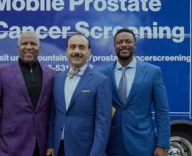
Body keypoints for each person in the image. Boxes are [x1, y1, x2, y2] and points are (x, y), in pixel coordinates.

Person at [0, 31, 55, 156]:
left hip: (41, 148)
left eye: (33, 44)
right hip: (10, 146)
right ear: (18, 48)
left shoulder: (51, 74)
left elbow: (53, 115)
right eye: (24, 43)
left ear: (39, 48)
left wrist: (51, 144)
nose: (29, 47)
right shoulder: (1, 72)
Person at [100, 28, 170, 156]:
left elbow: (162, 111)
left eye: (128, 41)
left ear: (134, 44)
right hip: (112, 144)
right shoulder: (103, 74)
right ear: (115, 45)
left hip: (143, 144)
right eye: (120, 42)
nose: (124, 45)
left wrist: (162, 144)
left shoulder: (153, 72)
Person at [46, 32, 112, 156]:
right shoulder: (57, 78)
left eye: (81, 47)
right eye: (72, 47)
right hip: (58, 148)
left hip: (85, 150)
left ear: (89, 52)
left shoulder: (101, 81)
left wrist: (96, 153)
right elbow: (53, 116)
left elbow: (103, 124)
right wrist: (50, 144)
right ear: (66, 51)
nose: (76, 51)